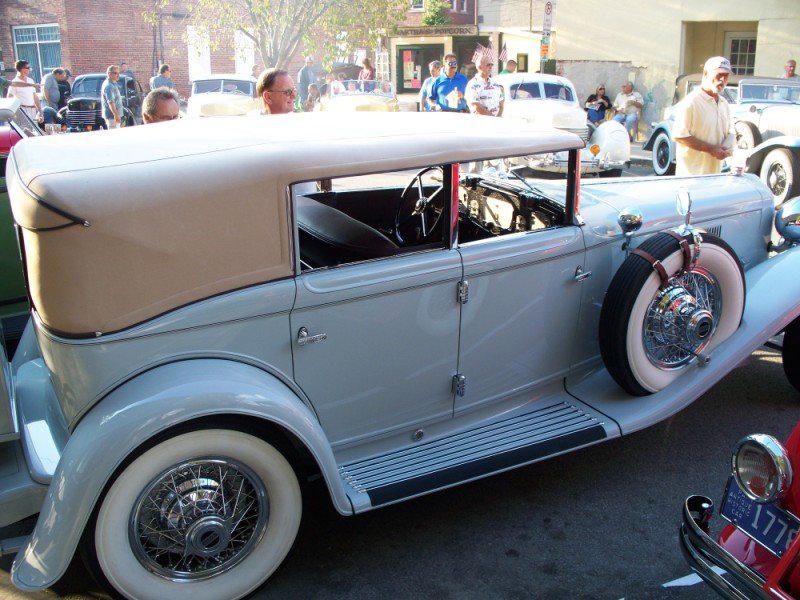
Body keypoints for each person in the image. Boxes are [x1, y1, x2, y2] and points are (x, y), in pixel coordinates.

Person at [671, 56, 735, 176]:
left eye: (726, 76)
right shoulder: (691, 102)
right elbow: (679, 136)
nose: (722, 79)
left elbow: (728, 133)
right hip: (692, 176)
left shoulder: (724, 103)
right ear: (706, 74)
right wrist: (711, 149)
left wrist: (727, 148)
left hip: (715, 174)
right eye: (719, 75)